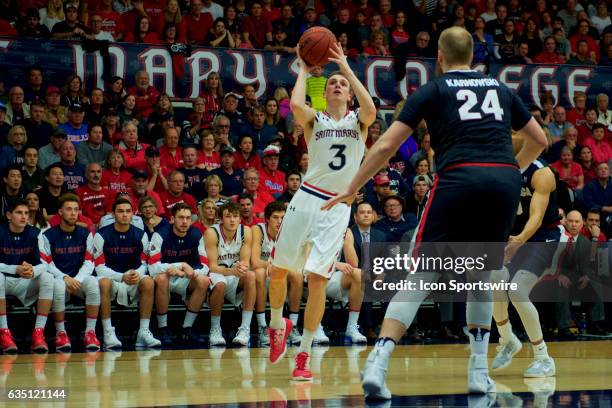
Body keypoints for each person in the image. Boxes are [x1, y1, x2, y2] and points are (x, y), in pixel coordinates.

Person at [323, 27, 547, 398]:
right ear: (473, 55)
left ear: (439, 58)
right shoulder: (501, 89)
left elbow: (385, 146)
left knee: (422, 274)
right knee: (481, 276)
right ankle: (478, 372)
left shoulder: (433, 89)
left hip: (459, 178)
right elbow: (539, 139)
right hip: (504, 182)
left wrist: (352, 187)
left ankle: (378, 362)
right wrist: (507, 171)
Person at [267, 41, 376, 382]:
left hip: (337, 207)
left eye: (341, 84)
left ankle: (304, 354)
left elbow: (372, 108)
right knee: (278, 271)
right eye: (332, 83)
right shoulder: (316, 119)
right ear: (325, 94)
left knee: (317, 279)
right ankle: (276, 325)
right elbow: (295, 104)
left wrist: (346, 68)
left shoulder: (360, 120)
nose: (338, 85)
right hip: (306, 198)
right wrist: (302, 69)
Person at [490, 150, 561, 378]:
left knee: (517, 290)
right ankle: (507, 338)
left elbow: (537, 217)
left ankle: (543, 357)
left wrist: (519, 240)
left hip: (541, 236)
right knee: (494, 280)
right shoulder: (498, 166)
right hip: (511, 234)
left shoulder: (540, 172)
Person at [93, 198, 161, 349]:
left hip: (132, 277)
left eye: (128, 211)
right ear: (113, 214)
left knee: (148, 282)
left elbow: (144, 263)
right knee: (103, 283)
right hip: (113, 279)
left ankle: (143, 331)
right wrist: (121, 277)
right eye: (121, 211)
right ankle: (108, 332)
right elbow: (98, 267)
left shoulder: (141, 234)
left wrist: (137, 273)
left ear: (133, 214)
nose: (125, 215)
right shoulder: (101, 235)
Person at [40, 194, 101, 352]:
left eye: (76, 210)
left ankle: (90, 332)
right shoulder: (47, 235)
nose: (73, 213)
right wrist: (65, 278)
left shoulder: (85, 233)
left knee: (94, 283)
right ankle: (61, 333)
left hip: (78, 280)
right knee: (59, 286)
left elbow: (89, 261)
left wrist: (77, 280)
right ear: (60, 212)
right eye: (69, 209)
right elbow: (46, 263)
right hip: (58, 280)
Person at [149, 203, 210, 346]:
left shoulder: (196, 234)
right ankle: (162, 328)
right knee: (162, 279)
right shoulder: (160, 234)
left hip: (184, 277)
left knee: (204, 281)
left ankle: (186, 329)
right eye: (181, 217)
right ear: (172, 219)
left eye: (188, 218)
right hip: (166, 276)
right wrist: (179, 266)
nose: (184, 222)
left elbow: (205, 265)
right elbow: (152, 266)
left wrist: (187, 273)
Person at [0, 199, 53, 353]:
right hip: (4, 281)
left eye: (26, 213)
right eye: (19, 213)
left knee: (48, 278)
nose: (24, 217)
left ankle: (38, 333)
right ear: (9, 215)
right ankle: (4, 332)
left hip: (26, 281)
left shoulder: (36, 233)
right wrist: (14, 268)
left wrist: (32, 271)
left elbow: (46, 262)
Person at [204, 202, 256, 346]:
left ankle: (245, 328)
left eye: (235, 216)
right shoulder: (211, 233)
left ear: (240, 219)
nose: (232, 220)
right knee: (220, 284)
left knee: (251, 276)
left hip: (233, 273)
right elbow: (212, 266)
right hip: (215, 273)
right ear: (221, 219)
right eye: (228, 216)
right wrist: (232, 270)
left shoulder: (246, 231)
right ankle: (215, 328)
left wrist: (241, 268)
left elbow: (245, 262)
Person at [251, 201, 287, 346]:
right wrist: (276, 267)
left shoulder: (289, 232)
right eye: (275, 217)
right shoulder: (257, 230)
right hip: (262, 274)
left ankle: (293, 327)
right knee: (259, 272)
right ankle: (262, 326)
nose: (279, 221)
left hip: (280, 274)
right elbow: (255, 261)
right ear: (266, 219)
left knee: (296, 276)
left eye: (283, 218)